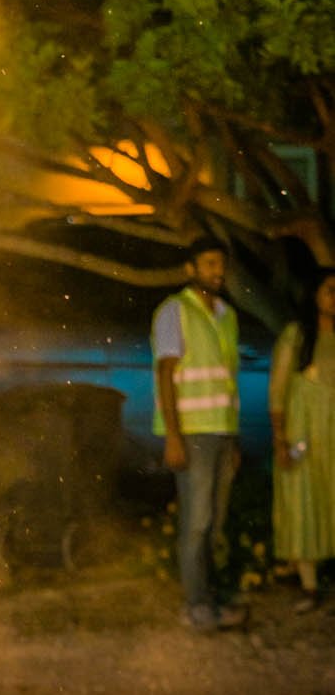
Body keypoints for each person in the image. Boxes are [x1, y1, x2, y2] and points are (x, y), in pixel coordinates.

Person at [152, 237, 246, 631]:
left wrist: (234, 437)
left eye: (220, 264)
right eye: (208, 264)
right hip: (192, 434)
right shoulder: (175, 311)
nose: (217, 271)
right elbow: (166, 373)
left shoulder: (226, 315)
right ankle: (195, 605)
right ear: (191, 269)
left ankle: (212, 598)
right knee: (197, 523)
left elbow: (228, 383)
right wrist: (173, 436)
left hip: (222, 434)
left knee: (215, 524)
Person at [269, 268, 335, 612]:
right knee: (305, 502)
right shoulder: (296, 336)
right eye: (330, 290)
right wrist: (280, 440)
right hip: (304, 433)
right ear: (314, 295)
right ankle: (309, 586)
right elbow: (278, 391)